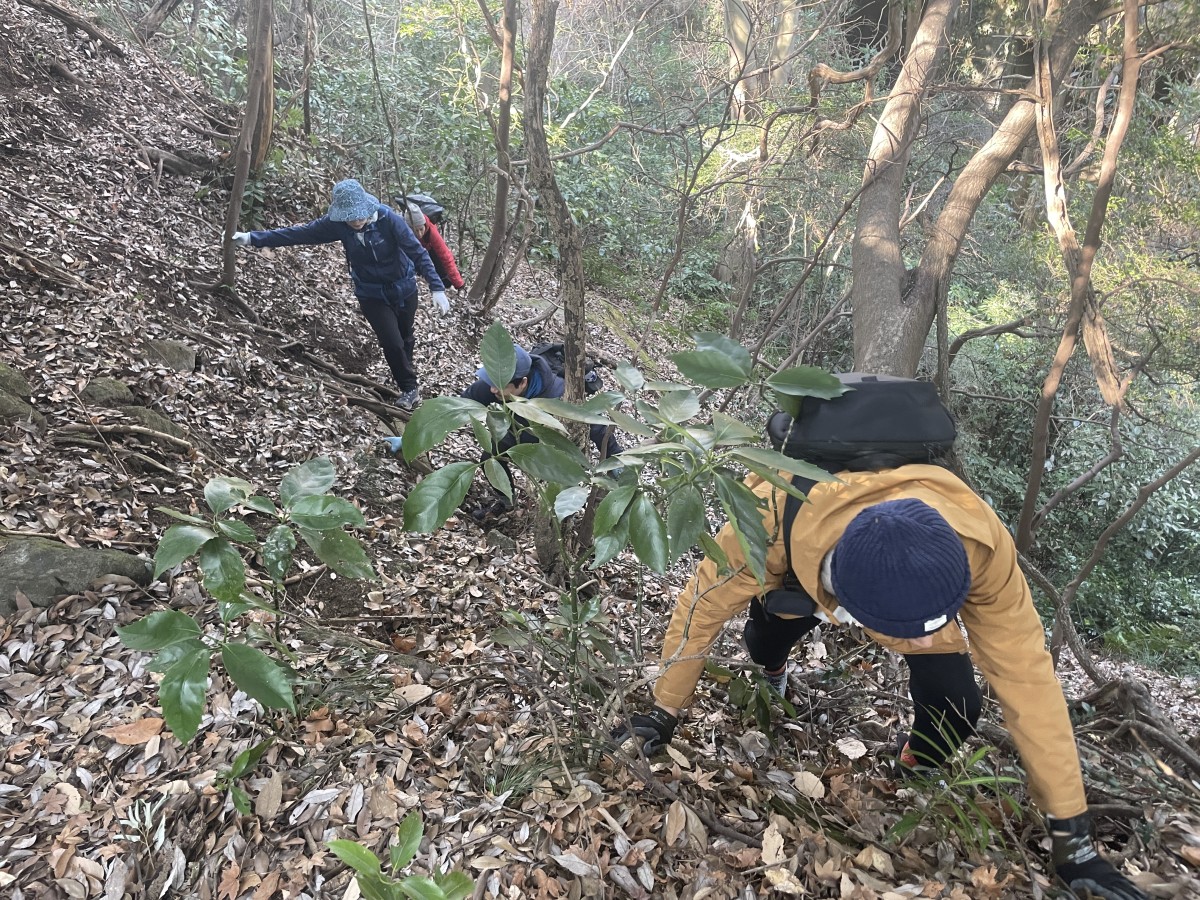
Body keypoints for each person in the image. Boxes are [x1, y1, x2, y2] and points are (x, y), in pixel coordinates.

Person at [618, 463, 1147, 900]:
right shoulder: (765, 521)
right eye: (903, 636)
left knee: (958, 703)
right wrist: (663, 710)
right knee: (765, 641)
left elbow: (1029, 680)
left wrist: (1072, 836)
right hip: (801, 572)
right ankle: (774, 669)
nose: (918, 645)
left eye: (934, 626)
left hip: (907, 587)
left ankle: (913, 765)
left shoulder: (980, 547)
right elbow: (699, 610)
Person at [232, 179, 448, 410]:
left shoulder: (388, 220)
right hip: (371, 293)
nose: (356, 220)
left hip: (404, 288)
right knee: (391, 341)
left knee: (405, 335)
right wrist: (252, 238)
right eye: (351, 216)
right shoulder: (337, 225)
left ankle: (405, 367)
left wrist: (436, 287)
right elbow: (297, 234)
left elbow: (417, 253)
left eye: (359, 215)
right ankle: (408, 388)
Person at [461, 343, 623, 523]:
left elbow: (594, 424)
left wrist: (615, 456)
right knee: (489, 458)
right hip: (513, 435)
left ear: (522, 382)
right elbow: (462, 403)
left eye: (498, 386)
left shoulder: (558, 394)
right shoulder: (495, 387)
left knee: (551, 494)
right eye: (491, 382)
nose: (492, 390)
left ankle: (555, 523)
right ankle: (506, 500)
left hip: (550, 447)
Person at [403, 202, 465, 292]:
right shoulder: (402, 231)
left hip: (428, 248)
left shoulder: (431, 231)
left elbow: (446, 257)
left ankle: (445, 284)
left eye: (421, 229)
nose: (419, 234)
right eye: (415, 230)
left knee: (440, 267)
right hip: (412, 252)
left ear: (424, 225)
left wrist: (459, 284)